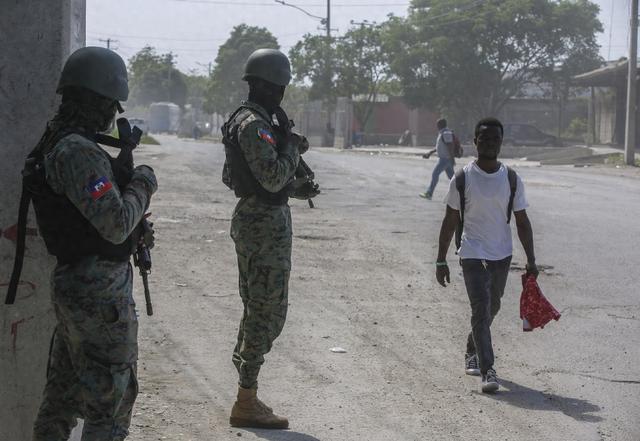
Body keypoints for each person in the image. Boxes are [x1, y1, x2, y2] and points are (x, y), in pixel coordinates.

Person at [29, 47, 158, 440]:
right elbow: (116, 223)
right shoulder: (77, 152)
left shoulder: (61, 142)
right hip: (98, 294)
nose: (112, 113)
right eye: (110, 104)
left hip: (79, 289)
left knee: (63, 399)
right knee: (111, 405)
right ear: (96, 99)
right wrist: (143, 183)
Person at [221, 48, 309, 429]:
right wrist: (290, 150)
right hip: (263, 224)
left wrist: (295, 184)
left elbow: (234, 176)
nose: (280, 95)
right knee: (265, 310)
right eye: (278, 87)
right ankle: (246, 397)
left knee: (260, 306)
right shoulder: (254, 124)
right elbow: (271, 177)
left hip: (261, 219)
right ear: (268, 86)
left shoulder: (252, 121)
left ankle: (247, 384)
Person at [434, 117, 538, 393]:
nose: (490, 143)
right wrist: (441, 258)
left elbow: (522, 221)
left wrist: (531, 259)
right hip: (471, 251)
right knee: (481, 307)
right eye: (485, 138)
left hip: (501, 254)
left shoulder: (512, 179)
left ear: (501, 142)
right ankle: (487, 368)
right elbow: (450, 221)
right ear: (475, 141)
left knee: (492, 307)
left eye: (495, 139)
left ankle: (472, 346)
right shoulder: (462, 178)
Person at [420, 118, 456, 200]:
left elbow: (450, 146)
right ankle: (464, 193)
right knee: (453, 178)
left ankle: (429, 193)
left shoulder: (446, 133)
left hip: (445, 159)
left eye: (437, 124)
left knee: (435, 174)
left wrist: (452, 159)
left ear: (440, 125)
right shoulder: (442, 133)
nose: (436, 126)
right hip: (446, 159)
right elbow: (440, 147)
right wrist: (430, 153)